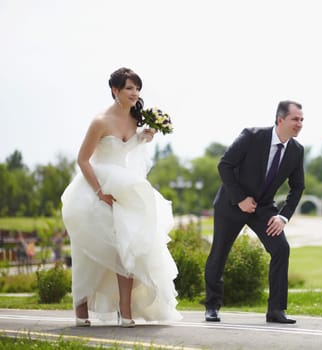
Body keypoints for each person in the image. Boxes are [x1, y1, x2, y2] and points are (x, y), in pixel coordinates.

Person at [61, 67, 181, 328]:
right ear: (115, 90)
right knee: (89, 251)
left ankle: (126, 312)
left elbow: (127, 151)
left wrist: (142, 138)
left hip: (125, 189)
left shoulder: (136, 119)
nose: (134, 93)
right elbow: (83, 160)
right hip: (95, 188)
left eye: (137, 88)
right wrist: (99, 192)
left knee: (127, 246)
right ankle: (81, 311)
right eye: (129, 88)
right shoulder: (100, 121)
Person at [204, 100, 305, 324]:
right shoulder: (251, 135)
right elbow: (225, 165)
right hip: (231, 203)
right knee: (219, 253)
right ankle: (212, 306)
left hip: (264, 208)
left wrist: (283, 216)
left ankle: (276, 310)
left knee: (281, 249)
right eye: (295, 119)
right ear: (280, 120)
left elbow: (297, 187)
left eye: (301, 120)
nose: (299, 124)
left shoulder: (297, 151)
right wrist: (240, 198)